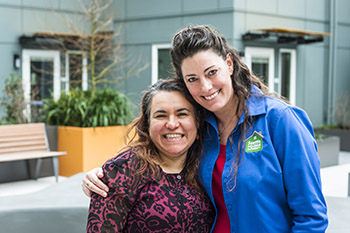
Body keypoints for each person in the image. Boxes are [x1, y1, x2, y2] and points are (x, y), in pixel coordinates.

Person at [83, 25, 328, 232]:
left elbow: (312, 217)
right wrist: (103, 175)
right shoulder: (201, 129)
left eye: (212, 72)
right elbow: (160, 157)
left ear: (229, 64)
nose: (206, 86)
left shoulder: (280, 120)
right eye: (192, 79)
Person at [85, 78, 214, 233]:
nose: (172, 124)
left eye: (182, 114)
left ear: (197, 122)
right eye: (161, 116)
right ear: (147, 124)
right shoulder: (122, 171)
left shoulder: (208, 165)